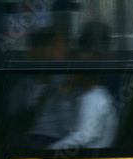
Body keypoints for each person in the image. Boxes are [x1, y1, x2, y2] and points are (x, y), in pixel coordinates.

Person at [48, 21, 119, 150]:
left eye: (74, 69)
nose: (70, 73)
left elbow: (84, 136)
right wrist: (64, 96)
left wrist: (48, 151)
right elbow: (67, 127)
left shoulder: (95, 98)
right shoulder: (84, 95)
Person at [8, 27, 76, 151]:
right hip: (30, 137)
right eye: (60, 43)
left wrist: (62, 95)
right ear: (46, 47)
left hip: (57, 138)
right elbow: (14, 110)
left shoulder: (68, 78)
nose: (66, 48)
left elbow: (69, 124)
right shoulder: (27, 79)